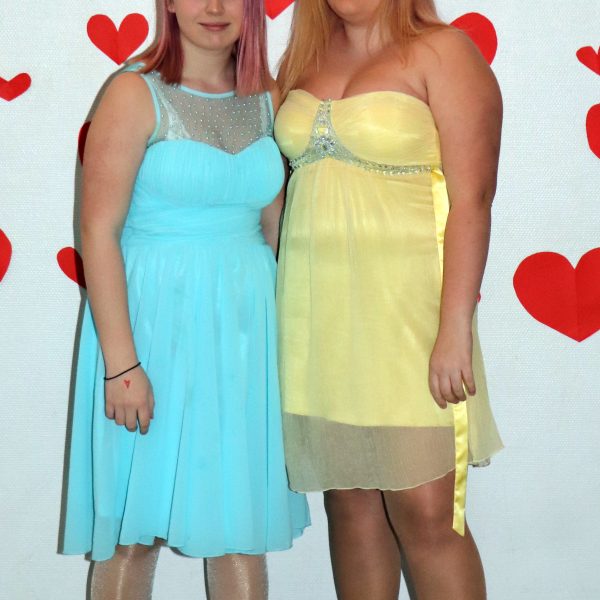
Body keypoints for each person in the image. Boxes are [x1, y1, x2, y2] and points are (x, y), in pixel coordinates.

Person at [61, 1, 309, 598]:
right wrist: (121, 366)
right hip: (150, 331)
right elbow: (98, 231)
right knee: (132, 533)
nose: (215, 8)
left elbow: (275, 229)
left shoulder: (268, 97)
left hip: (244, 339)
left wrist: (298, 349)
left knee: (238, 528)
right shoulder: (133, 93)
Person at [274, 0, 503, 598]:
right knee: (349, 504)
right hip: (317, 318)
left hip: (411, 319)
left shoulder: (444, 51)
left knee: (427, 513)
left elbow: (474, 201)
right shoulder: (301, 60)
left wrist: (454, 327)